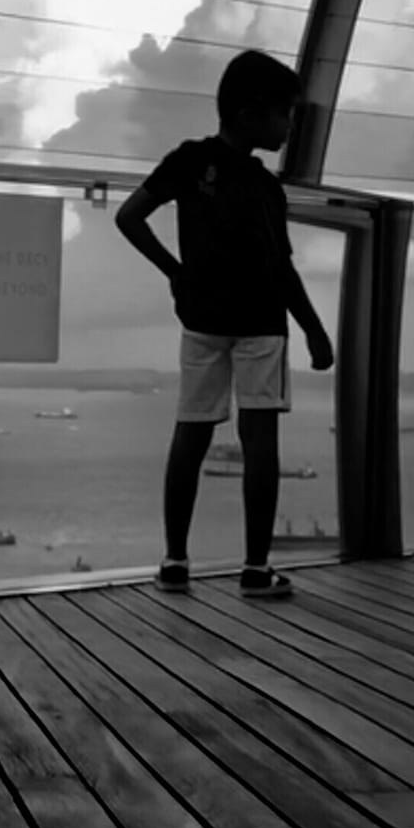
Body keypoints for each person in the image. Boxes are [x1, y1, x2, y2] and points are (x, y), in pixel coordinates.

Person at [115, 48, 335, 598]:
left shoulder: (189, 161)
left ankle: (174, 561)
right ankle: (256, 569)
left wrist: (177, 274)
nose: (289, 124)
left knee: (190, 433)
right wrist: (312, 328)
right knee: (259, 440)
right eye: (284, 113)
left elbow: (129, 216)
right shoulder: (264, 187)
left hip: (202, 319)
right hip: (261, 324)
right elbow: (281, 270)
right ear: (249, 114)